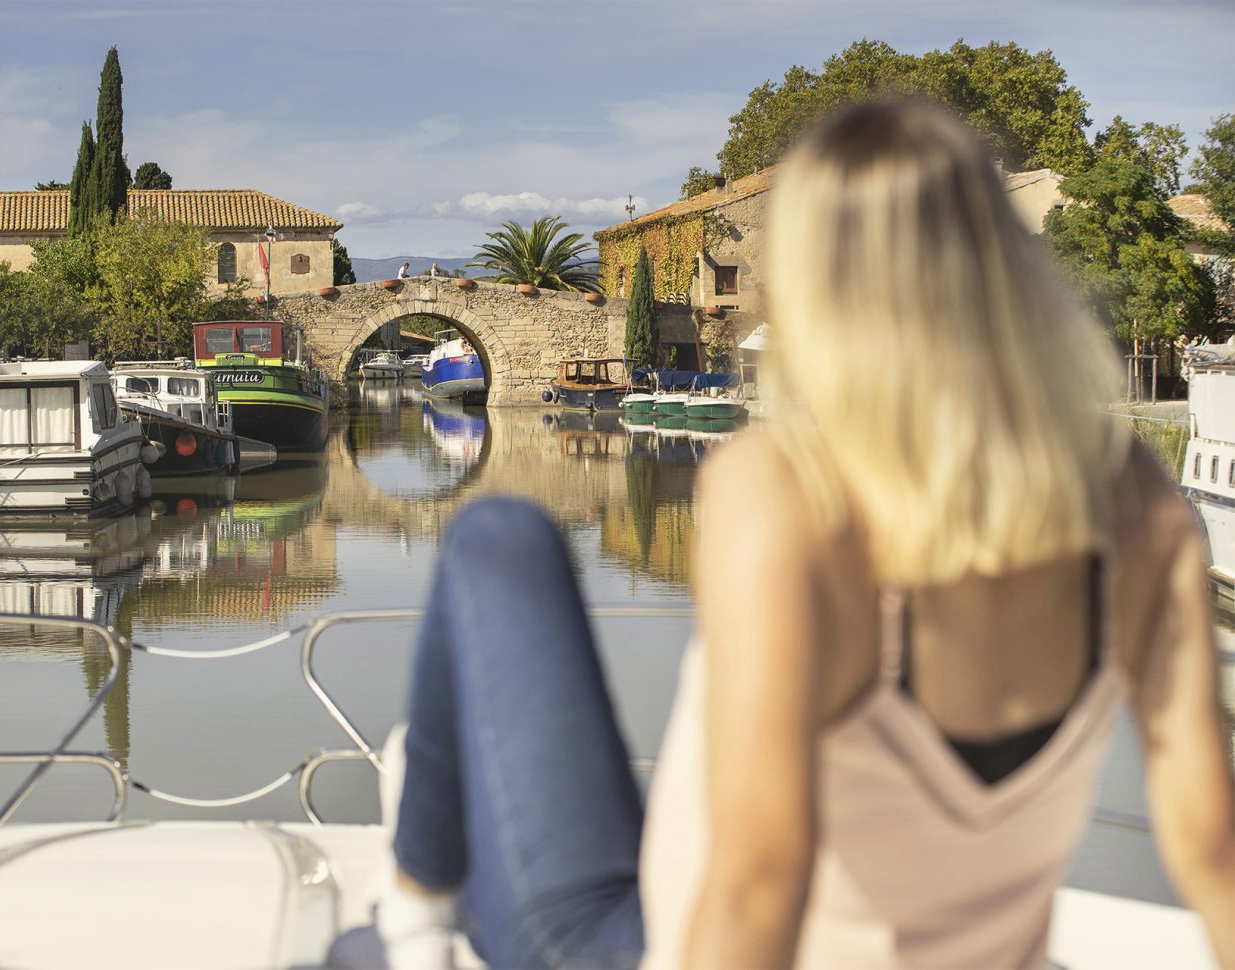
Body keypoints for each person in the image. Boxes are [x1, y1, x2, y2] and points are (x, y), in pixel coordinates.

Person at [350, 100, 1235, 970]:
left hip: (662, 946)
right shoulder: (1141, 505)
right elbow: (1212, 850)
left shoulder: (784, 492)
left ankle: (414, 913)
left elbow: (759, 886)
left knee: (497, 537)